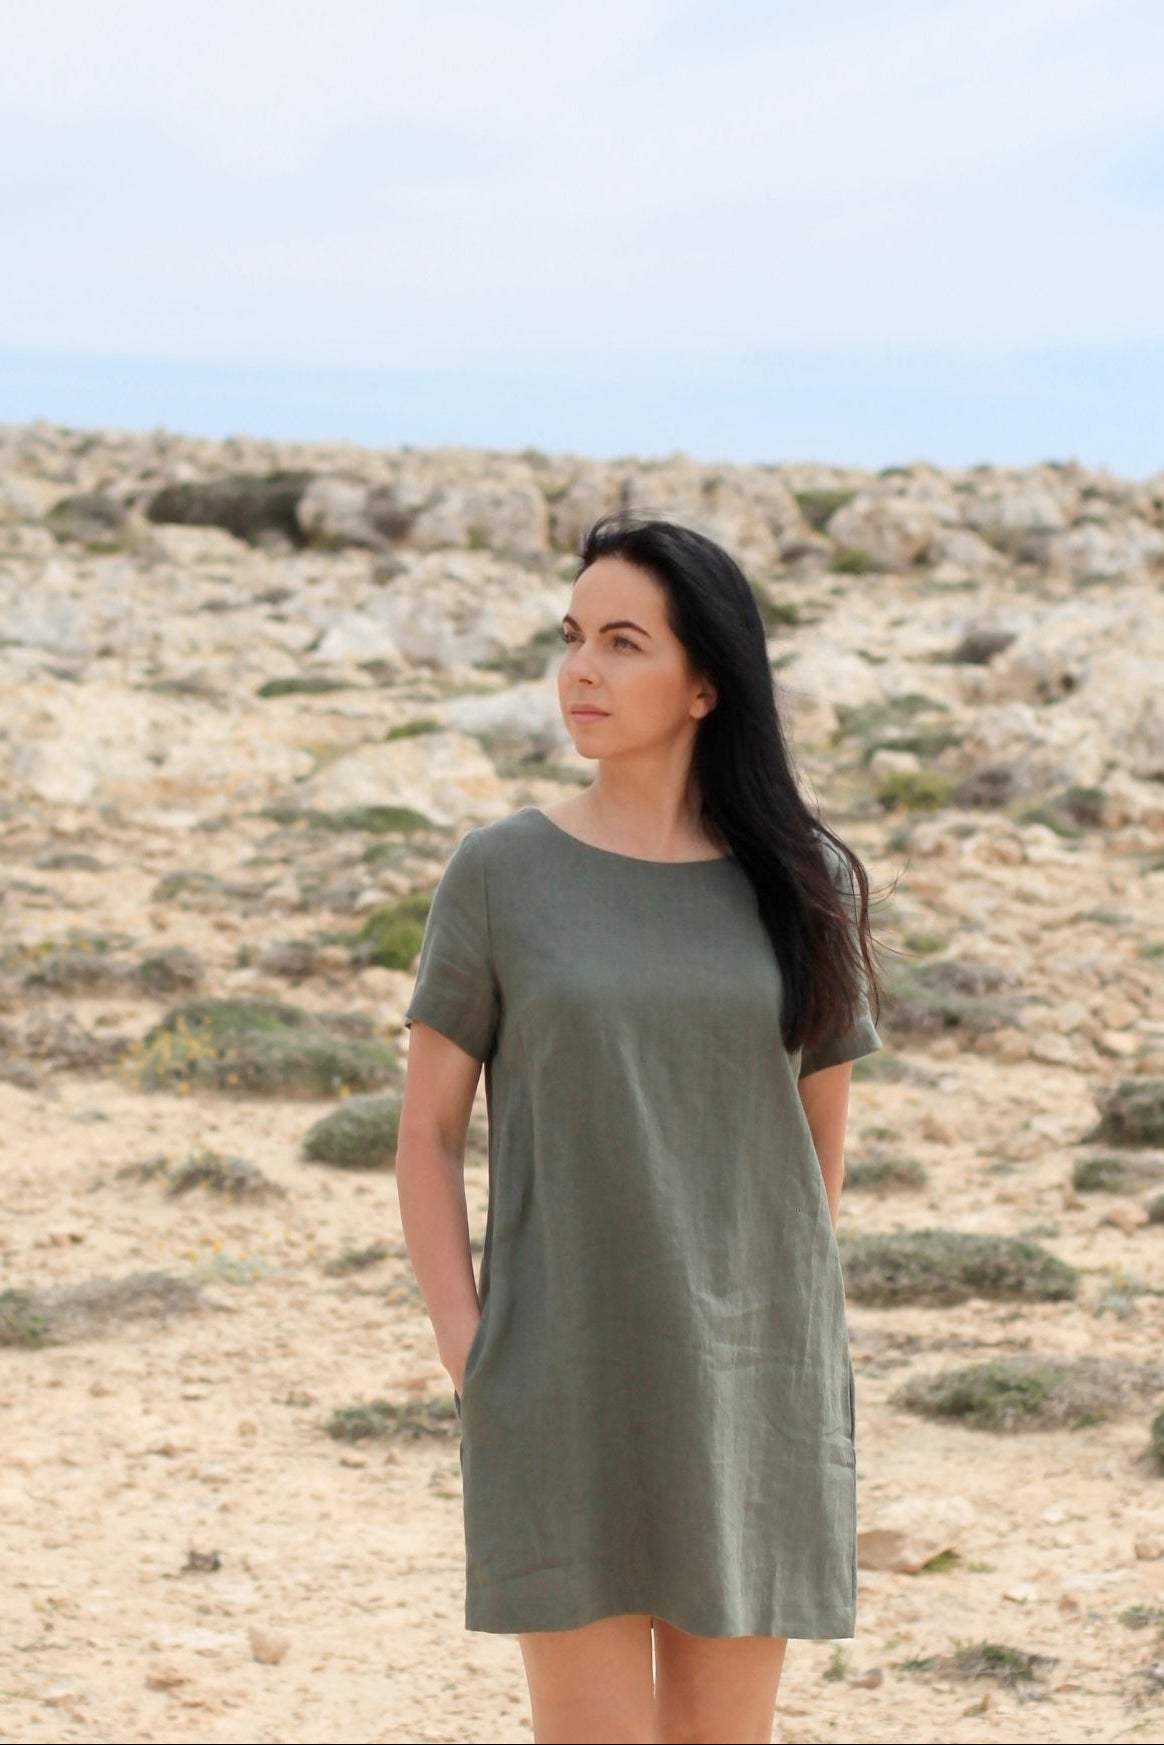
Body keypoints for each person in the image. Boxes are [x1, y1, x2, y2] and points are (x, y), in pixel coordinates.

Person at [396, 513, 881, 1745]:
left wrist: (773, 1327)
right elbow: (426, 1132)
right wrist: (473, 1348)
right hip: (559, 1374)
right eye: (572, 638)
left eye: (623, 642)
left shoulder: (798, 884)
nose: (583, 672)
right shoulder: (501, 873)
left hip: (750, 1383)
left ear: (707, 681)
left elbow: (814, 1156)